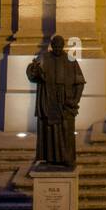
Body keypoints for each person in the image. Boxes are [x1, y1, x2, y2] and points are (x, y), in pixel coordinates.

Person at [26, 35, 85, 168]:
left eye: (60, 47)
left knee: (66, 130)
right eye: (55, 47)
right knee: (50, 130)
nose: (58, 49)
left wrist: (75, 100)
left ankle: (67, 158)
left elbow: (80, 83)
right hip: (49, 99)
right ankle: (50, 158)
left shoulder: (71, 60)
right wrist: (33, 70)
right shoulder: (44, 58)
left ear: (63, 46)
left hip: (65, 102)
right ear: (51, 46)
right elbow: (33, 74)